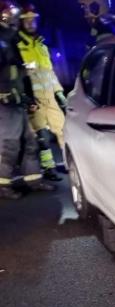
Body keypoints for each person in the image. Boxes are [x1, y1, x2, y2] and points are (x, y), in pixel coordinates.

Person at [0, 0, 55, 199]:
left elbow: (18, 71)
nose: (14, 15)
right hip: (5, 101)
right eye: (9, 12)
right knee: (9, 144)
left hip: (17, 98)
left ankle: (34, 180)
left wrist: (27, 96)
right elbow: (8, 70)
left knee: (30, 141)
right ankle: (2, 185)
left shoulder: (10, 37)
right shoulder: (3, 37)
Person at [18, 3, 65, 181]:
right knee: (41, 135)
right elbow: (20, 75)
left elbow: (50, 73)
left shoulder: (42, 46)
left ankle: (69, 163)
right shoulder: (18, 46)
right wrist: (25, 97)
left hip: (50, 98)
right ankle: (48, 168)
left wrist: (59, 93)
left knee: (62, 130)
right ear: (21, 23)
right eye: (27, 21)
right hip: (34, 101)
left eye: (33, 20)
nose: (31, 24)